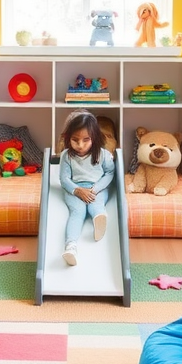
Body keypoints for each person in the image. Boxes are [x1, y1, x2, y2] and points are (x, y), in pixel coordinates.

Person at [58, 111, 114, 267]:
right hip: (75, 189)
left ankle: (100, 218)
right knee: (78, 212)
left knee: (96, 205)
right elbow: (64, 179)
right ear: (68, 138)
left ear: (94, 138)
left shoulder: (103, 154)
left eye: (86, 140)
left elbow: (110, 173)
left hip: (97, 188)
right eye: (75, 140)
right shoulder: (66, 156)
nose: (80, 145)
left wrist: (96, 189)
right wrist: (77, 190)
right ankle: (71, 247)